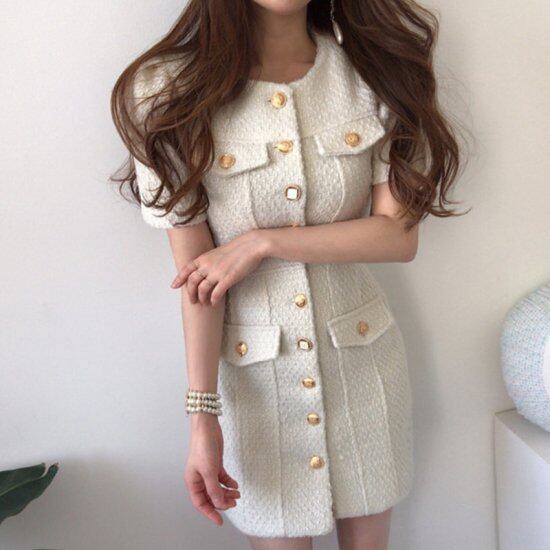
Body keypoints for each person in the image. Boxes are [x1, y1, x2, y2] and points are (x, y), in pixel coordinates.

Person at [110, 1, 462, 548]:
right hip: (255, 386)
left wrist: (263, 243)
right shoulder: (165, 92)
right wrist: (203, 418)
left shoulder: (374, 73)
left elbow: (398, 236)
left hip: (363, 368)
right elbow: (198, 282)